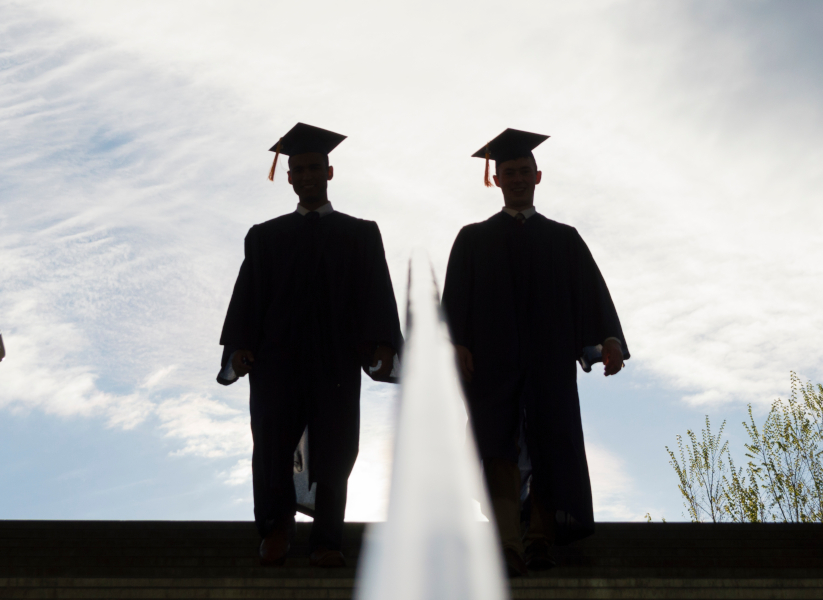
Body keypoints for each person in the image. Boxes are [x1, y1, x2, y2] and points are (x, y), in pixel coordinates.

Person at [442, 128, 629, 577]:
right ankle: (507, 543)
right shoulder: (472, 239)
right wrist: (456, 344)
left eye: (525, 171)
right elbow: (455, 303)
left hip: (548, 361)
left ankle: (541, 538)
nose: (518, 178)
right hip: (492, 363)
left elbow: (591, 295)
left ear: (538, 176)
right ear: (496, 179)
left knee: (551, 445)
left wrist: (609, 340)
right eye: (510, 172)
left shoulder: (564, 240)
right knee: (497, 447)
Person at [217, 123, 402, 568]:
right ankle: (276, 529)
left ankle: (326, 539)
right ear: (289, 177)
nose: (306, 174)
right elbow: (249, 294)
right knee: (272, 445)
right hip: (276, 358)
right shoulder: (265, 236)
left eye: (314, 167)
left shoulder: (361, 234)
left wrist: (382, 343)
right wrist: (240, 344)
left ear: (330, 171)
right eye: (298, 168)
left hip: (335, 357)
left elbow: (376, 291)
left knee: (338, 447)